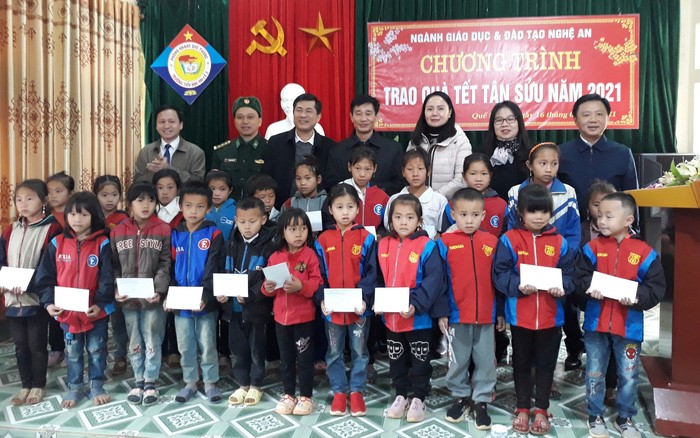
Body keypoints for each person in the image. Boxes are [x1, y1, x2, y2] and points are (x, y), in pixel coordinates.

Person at [576, 193, 664, 438]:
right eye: (599, 215)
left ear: (628, 220)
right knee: (595, 372)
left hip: (629, 326)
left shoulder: (645, 253)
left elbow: (655, 288)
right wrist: (589, 289)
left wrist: (637, 297)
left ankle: (625, 418)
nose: (601, 221)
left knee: (628, 374)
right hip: (596, 323)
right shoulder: (591, 249)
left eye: (609, 216)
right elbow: (580, 277)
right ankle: (595, 415)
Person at [492, 184, 576, 435]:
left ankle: (541, 409)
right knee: (521, 362)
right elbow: (500, 274)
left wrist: (563, 287)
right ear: (521, 212)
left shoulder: (560, 242)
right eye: (532, 211)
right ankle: (522, 407)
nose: (539, 217)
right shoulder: (509, 240)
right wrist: (518, 286)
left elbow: (569, 275)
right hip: (520, 316)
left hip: (551, 316)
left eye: (544, 212)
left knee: (546, 364)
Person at [35, 192, 116, 408]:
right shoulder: (57, 243)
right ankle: (75, 386)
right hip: (67, 313)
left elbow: (107, 278)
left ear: (94, 216)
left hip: (95, 311)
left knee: (97, 349)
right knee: (72, 352)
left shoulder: (102, 243)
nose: (77, 219)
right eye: (72, 214)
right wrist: (48, 303)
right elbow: (45, 277)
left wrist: (100, 303)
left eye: (83, 214)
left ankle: (97, 384)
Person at [506, 142, 581, 373]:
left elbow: (573, 232)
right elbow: (512, 229)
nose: (549, 169)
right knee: (527, 314)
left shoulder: (568, 192)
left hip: (558, 265)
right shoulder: (515, 192)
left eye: (554, 164)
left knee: (564, 313)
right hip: (526, 266)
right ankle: (525, 364)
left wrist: (560, 259)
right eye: (542, 163)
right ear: (530, 165)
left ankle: (572, 351)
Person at [377, 194, 449, 423]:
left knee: (420, 360)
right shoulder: (383, 244)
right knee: (396, 358)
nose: (403, 222)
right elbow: (378, 278)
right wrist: (376, 301)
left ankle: (419, 397)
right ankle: (400, 395)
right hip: (391, 319)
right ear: (390, 220)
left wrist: (415, 303)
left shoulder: (427, 246)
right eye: (398, 217)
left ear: (419, 221)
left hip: (419, 319)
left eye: (409, 217)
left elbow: (434, 280)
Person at [437, 188, 503, 429]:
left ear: (483, 216)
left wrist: (500, 312)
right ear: (453, 214)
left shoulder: (492, 242)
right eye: (463, 214)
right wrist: (442, 312)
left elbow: (498, 280)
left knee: (486, 361)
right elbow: (440, 281)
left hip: (486, 316)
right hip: (457, 315)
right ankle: (461, 396)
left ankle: (481, 400)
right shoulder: (444, 243)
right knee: (458, 361)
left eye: (475, 215)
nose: (469, 220)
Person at [315, 184, 377, 417]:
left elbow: (372, 274)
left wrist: (365, 298)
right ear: (330, 209)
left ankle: (357, 390)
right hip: (332, 309)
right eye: (339, 207)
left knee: (360, 351)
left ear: (357, 209)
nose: (345, 212)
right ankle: (339, 391)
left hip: (359, 308)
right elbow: (318, 274)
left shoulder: (366, 238)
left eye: (350, 207)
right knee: (334, 352)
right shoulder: (323, 240)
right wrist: (322, 298)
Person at [0, 179, 62, 406]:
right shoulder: (10, 230)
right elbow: (2, 260)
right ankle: (25, 385)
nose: (23, 204)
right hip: (12, 297)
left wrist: (29, 283)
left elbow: (51, 266)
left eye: (29, 199)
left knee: (37, 344)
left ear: (43, 200)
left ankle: (38, 385)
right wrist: (4, 281)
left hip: (36, 298)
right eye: (18, 200)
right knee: (19, 345)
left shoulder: (52, 228)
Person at [111, 182, 171, 406]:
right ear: (129, 204)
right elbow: (114, 265)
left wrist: (159, 290)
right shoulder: (118, 231)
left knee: (153, 337)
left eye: (151, 200)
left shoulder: (163, 229)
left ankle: (151, 381)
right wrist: (116, 288)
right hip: (128, 300)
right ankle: (138, 379)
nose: (146, 205)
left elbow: (165, 263)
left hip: (152, 299)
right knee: (134, 338)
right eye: (140, 200)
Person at [166, 181, 224, 404]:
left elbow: (214, 267)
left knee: (207, 343)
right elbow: (170, 267)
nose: (193, 211)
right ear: (180, 206)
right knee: (185, 344)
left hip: (204, 302)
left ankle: (210, 382)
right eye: (188, 206)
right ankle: (190, 381)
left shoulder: (213, 233)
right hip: (181, 302)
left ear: (208, 209)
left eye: (200, 207)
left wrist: (206, 296)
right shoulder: (175, 234)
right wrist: (169, 296)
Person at [261, 208, 323, 416]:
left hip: (304, 317)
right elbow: (268, 287)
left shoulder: (310, 255)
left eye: (303, 228)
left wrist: (301, 287)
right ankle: (288, 394)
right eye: (293, 229)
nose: (299, 234)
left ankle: (305, 396)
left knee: (304, 360)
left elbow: (316, 284)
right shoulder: (275, 257)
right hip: (281, 318)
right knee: (286, 359)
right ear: (282, 232)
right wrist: (267, 288)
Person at [217, 197, 274, 407]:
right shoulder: (230, 243)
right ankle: (242, 384)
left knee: (256, 350)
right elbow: (222, 271)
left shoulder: (269, 246)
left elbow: (269, 279)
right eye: (242, 222)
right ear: (235, 221)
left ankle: (256, 385)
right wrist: (221, 293)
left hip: (256, 310)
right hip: (233, 309)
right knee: (237, 349)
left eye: (252, 221)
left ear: (263, 219)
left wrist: (250, 294)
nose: (247, 227)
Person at [558, 94, 639, 216]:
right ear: (575, 120)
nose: (593, 120)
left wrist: (633, 225)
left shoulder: (622, 153)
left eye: (599, 114)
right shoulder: (561, 153)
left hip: (612, 224)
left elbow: (631, 196)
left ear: (608, 118)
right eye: (586, 115)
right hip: (571, 224)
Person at [580, 180, 619, 407]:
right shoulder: (583, 231)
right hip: (592, 299)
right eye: (596, 205)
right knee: (596, 345)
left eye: (608, 205)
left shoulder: (629, 236)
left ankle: (611, 386)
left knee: (615, 344)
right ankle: (595, 392)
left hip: (619, 303)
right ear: (588, 206)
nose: (602, 211)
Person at [263, 93, 335, 208]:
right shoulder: (275, 143)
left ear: (318, 117)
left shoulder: (330, 147)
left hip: (319, 211)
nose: (303, 115)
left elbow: (332, 184)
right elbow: (267, 179)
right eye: (299, 110)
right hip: (282, 210)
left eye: (308, 111)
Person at [325, 94, 405, 195]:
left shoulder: (393, 149)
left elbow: (399, 183)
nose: (363, 119)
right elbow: (331, 185)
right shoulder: (338, 151)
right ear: (351, 117)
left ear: (376, 116)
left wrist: (371, 189)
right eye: (358, 114)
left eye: (368, 114)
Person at [93, 175, 129, 376]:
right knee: (96, 320)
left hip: (116, 275)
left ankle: (121, 356)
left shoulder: (124, 219)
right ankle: (96, 358)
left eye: (114, 195)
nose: (109, 199)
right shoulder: (91, 218)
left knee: (118, 321)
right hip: (94, 276)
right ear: (96, 195)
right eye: (104, 195)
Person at [406, 91, 472, 199]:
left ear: (449, 112)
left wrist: (434, 198)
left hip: (447, 203)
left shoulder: (460, 141)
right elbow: (407, 172)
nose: (434, 113)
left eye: (440, 108)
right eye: (430, 109)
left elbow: (461, 180)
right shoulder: (416, 140)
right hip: (416, 202)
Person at [153, 169, 183, 369]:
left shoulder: (183, 212)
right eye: (160, 187)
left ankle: (174, 350)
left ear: (178, 189)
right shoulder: (150, 210)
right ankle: (161, 349)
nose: (164, 192)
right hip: (156, 266)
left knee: (174, 309)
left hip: (178, 265)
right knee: (158, 309)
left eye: (170, 187)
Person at [212, 96, 268, 200]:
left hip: (260, 207)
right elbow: (214, 186)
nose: (245, 121)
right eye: (240, 117)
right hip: (229, 208)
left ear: (260, 121)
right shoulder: (222, 152)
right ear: (234, 120)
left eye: (250, 117)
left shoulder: (270, 149)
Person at [45, 171, 74, 367]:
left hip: (72, 270)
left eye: (59, 191)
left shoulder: (75, 215)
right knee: (55, 313)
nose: (53, 195)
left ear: (70, 193)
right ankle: (57, 349)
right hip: (53, 270)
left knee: (72, 311)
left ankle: (72, 349)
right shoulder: (46, 218)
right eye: (49, 191)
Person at [133, 104, 205, 184]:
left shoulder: (195, 152)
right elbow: (137, 183)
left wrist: (168, 168)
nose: (166, 126)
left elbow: (198, 183)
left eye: (171, 121)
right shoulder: (145, 152)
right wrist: (151, 172)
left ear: (181, 125)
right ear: (156, 126)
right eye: (162, 122)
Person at [384, 149, 447, 238]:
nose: (415, 174)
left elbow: (442, 232)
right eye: (410, 169)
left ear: (428, 171)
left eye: (420, 169)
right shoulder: (394, 199)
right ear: (403, 172)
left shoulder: (439, 200)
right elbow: (389, 228)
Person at [441, 153, 507, 238]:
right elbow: (446, 237)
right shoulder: (453, 204)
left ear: (490, 175)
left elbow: (506, 236)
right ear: (464, 176)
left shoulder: (501, 205)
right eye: (473, 174)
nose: (478, 179)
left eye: (484, 174)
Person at [481, 101, 530, 200]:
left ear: (519, 122)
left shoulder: (531, 153)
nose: (504, 124)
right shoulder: (482, 153)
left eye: (510, 119)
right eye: (499, 120)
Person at [341, 146, 390, 228]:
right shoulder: (340, 191)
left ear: (374, 169)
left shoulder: (382, 196)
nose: (362, 174)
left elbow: (386, 223)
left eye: (367, 169)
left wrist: (380, 233)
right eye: (357, 168)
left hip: (373, 236)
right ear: (349, 167)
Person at [205, 170, 236, 241]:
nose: (217, 193)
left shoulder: (235, 211)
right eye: (212, 189)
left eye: (222, 189)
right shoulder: (201, 208)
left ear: (230, 191)